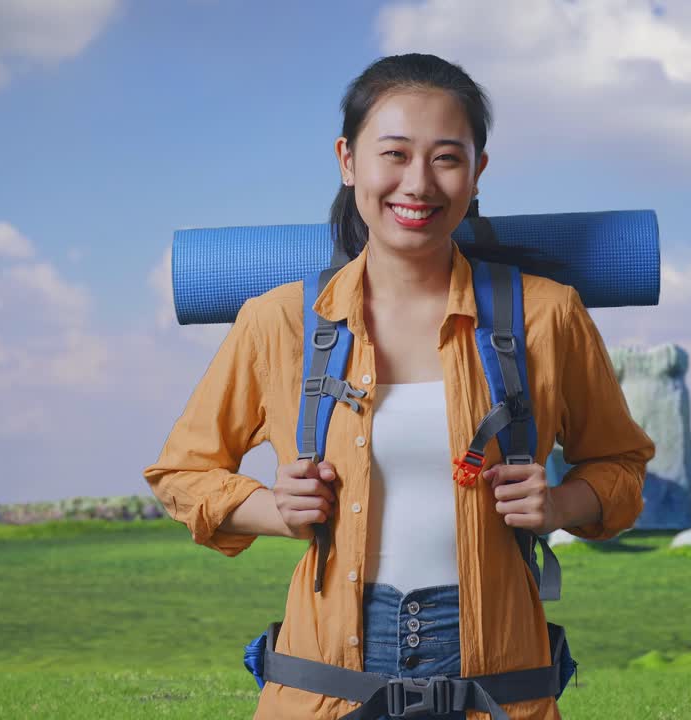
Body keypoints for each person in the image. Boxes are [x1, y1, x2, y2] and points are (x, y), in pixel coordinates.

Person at [143, 53, 655, 720]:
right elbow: (182, 474)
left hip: (498, 693)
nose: (418, 183)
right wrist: (275, 507)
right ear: (348, 160)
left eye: (447, 158)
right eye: (394, 154)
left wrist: (561, 504)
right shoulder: (279, 323)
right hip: (323, 690)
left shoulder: (548, 316)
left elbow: (622, 468)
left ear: (478, 173)